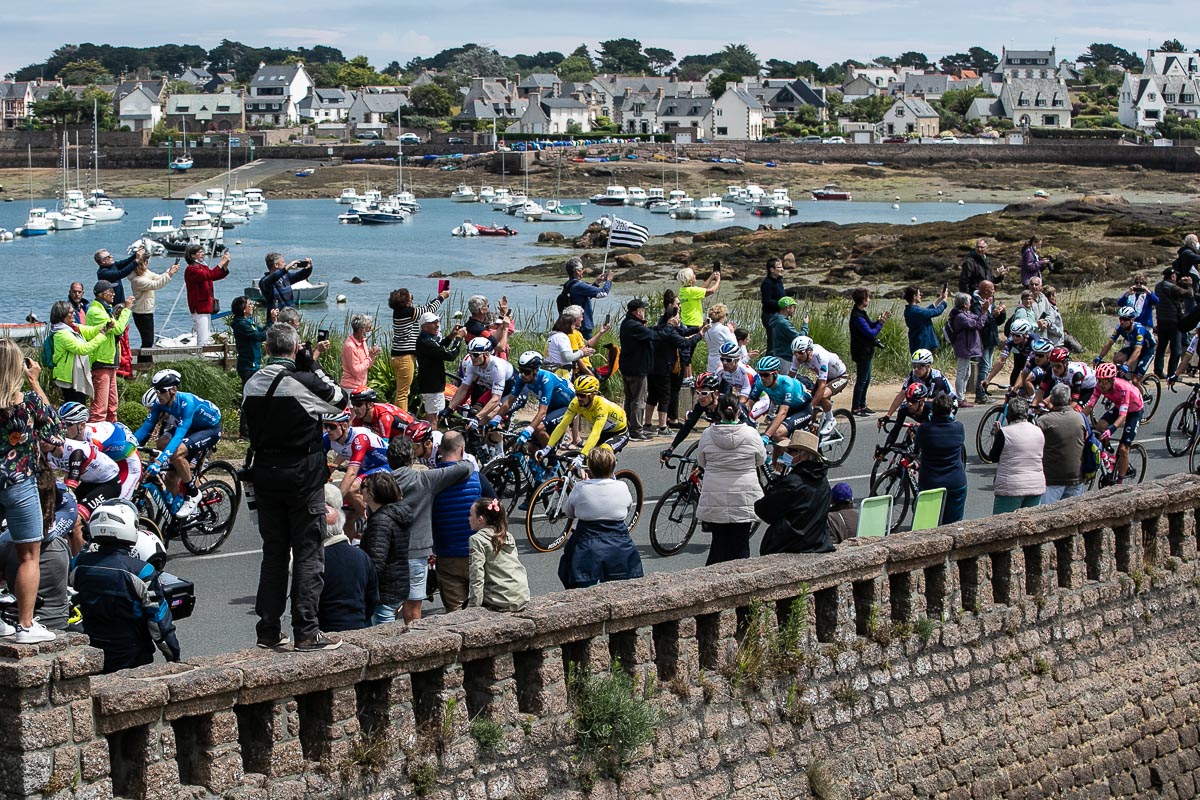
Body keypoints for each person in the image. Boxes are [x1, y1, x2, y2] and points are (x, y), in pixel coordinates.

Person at [242, 322, 350, 652]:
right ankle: (306, 630)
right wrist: (312, 363)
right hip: (302, 473)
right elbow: (340, 401)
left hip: (264, 472)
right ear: (293, 348)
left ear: (267, 348)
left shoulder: (252, 383)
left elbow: (246, 429)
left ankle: (268, 630)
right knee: (307, 551)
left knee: (274, 553)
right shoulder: (301, 382)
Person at [71, 499, 180, 672]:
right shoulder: (141, 571)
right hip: (132, 655)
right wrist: (174, 655)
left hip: (92, 653)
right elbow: (158, 622)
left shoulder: (78, 564)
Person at [0, 343, 62, 644]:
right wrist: (36, 382)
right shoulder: (25, 403)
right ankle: (25, 625)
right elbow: (54, 431)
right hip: (19, 483)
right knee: (28, 555)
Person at [386, 436, 473, 623]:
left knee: (389, 606)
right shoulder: (424, 479)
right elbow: (465, 468)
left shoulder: (381, 484)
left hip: (389, 553)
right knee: (413, 605)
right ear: (411, 460)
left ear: (389, 460)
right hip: (417, 553)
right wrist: (463, 455)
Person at [135, 369, 222, 518]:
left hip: (209, 429)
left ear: (173, 390)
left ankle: (193, 494)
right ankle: (181, 503)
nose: (158, 395)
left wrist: (159, 461)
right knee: (163, 451)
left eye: (162, 391)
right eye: (156, 391)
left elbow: (179, 436)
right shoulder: (159, 404)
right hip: (191, 429)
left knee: (177, 453)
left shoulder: (186, 403)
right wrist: (129, 446)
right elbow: (145, 428)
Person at [0, 472, 80, 632]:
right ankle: (27, 625)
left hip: (13, 618)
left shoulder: (6, 543)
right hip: (56, 622)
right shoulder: (60, 547)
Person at [558, 445, 643, 589]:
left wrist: (584, 483)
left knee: (573, 576)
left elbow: (569, 512)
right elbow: (627, 509)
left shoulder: (580, 487)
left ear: (589, 468)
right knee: (622, 588)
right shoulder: (622, 486)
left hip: (587, 544)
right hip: (619, 543)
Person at [695, 393, 764, 564]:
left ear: (719, 411)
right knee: (741, 544)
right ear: (739, 411)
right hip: (744, 496)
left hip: (715, 496)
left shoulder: (707, 434)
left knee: (718, 544)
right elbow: (761, 459)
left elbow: (701, 461)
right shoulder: (751, 434)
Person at [430, 431, 487, 612]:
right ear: (462, 449)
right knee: (485, 607)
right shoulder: (477, 477)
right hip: (477, 552)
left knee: (455, 613)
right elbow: (496, 507)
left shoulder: (431, 480)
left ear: (439, 450)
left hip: (447, 555)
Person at [756, 430, 835, 554]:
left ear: (803, 455)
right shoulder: (823, 483)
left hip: (788, 545)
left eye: (791, 451)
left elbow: (763, 509)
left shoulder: (792, 483)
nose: (786, 454)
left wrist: (777, 484)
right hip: (817, 544)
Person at [317, 483, 378, 633]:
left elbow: (304, 601)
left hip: (324, 629)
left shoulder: (315, 560)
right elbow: (372, 597)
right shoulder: (362, 556)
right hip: (357, 625)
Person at [56, 403, 142, 503]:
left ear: (82, 425)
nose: (62, 428)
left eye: (67, 424)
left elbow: (77, 471)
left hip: (127, 464)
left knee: (116, 506)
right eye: (60, 423)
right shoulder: (75, 434)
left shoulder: (95, 441)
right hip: (107, 463)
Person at [322, 412, 390, 536]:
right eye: (325, 426)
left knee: (350, 489)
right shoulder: (328, 438)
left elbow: (352, 472)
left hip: (383, 465)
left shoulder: (359, 437)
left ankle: (369, 521)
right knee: (347, 516)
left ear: (344, 425)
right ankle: (356, 541)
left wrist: (334, 502)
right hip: (364, 468)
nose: (327, 430)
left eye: (331, 426)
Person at [357, 472, 410, 626]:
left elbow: (376, 562)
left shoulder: (381, 521)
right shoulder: (394, 514)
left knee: (384, 634)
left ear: (372, 493)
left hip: (384, 589)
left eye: (364, 487)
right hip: (396, 583)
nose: (361, 491)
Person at [388, 286, 450, 410]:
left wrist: (437, 297)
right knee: (403, 393)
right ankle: (401, 419)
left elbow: (424, 309)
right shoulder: (407, 312)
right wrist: (442, 297)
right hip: (404, 357)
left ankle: (400, 415)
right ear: (406, 301)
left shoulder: (400, 312)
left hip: (398, 356)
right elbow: (428, 310)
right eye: (412, 298)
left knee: (402, 390)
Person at [1083, 362, 1143, 485]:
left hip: (1134, 410)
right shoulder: (1099, 386)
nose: (1101, 385)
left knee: (1123, 448)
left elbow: (1122, 416)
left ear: (1112, 380)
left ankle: (1119, 483)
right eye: (1099, 381)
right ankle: (1109, 453)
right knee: (1100, 426)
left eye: (1105, 382)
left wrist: (1111, 429)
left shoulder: (1123, 388)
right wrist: (1079, 419)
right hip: (1119, 406)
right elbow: (1090, 405)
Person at [497, 353, 574, 447]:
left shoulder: (546, 380)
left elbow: (542, 412)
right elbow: (509, 402)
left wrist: (527, 431)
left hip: (568, 406)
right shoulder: (522, 378)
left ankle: (551, 459)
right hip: (552, 406)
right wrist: (496, 419)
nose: (523, 375)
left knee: (539, 428)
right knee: (532, 448)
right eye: (521, 370)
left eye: (527, 372)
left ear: (536, 371)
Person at [648, 310, 705, 436]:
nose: (679, 320)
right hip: (663, 368)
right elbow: (685, 343)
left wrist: (698, 328)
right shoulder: (670, 332)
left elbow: (683, 332)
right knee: (664, 397)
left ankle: (647, 424)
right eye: (677, 318)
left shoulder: (660, 328)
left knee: (652, 396)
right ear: (671, 319)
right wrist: (700, 335)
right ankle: (663, 427)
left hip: (653, 367)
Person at [467, 497, 529, 612]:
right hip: (521, 596)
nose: (468, 519)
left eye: (471, 515)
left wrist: (473, 607)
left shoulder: (477, 540)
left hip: (502, 599)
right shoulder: (507, 536)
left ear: (481, 519)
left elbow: (477, 575)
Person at [913, 393, 967, 524]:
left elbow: (918, 444)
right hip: (955, 482)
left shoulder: (925, 429)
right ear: (950, 411)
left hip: (930, 483)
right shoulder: (959, 428)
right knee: (953, 526)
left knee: (927, 525)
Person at [987, 395, 1046, 513]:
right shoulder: (1038, 431)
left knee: (1002, 526)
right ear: (1026, 414)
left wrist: (997, 435)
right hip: (1035, 486)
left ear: (1009, 415)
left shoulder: (1004, 433)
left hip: (1011, 488)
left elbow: (993, 457)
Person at [544, 375, 628, 457]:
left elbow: (595, 433)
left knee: (603, 454)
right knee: (589, 460)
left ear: (592, 395)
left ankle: (608, 471)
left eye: (583, 395)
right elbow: (562, 426)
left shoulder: (601, 406)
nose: (579, 398)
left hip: (619, 432)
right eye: (577, 394)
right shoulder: (575, 403)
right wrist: (548, 447)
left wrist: (582, 455)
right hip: (604, 432)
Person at [85, 281, 133, 423]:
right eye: (110, 291)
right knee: (100, 407)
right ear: (102, 294)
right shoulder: (96, 312)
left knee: (112, 406)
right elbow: (118, 329)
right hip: (101, 362)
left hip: (110, 361)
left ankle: (112, 434)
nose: (113, 294)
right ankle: (95, 437)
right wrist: (127, 309)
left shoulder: (106, 310)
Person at [47, 299, 110, 406]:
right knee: (75, 408)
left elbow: (89, 331)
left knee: (80, 406)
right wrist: (102, 336)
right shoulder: (62, 334)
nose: (74, 314)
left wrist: (104, 326)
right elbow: (82, 349)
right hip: (68, 378)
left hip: (75, 376)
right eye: (71, 313)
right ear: (62, 315)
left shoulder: (72, 328)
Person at [1036, 383, 1088, 504]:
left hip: (1052, 479)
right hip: (1076, 477)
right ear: (1069, 400)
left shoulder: (1043, 421)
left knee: (1045, 516)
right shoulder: (1080, 418)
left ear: (1052, 400)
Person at [749, 355, 814, 449]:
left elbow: (783, 412)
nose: (762, 378)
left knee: (776, 434)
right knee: (775, 445)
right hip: (788, 410)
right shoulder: (760, 383)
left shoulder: (787, 383)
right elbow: (749, 404)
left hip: (802, 410)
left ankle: (799, 450)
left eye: (766, 375)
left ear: (775, 373)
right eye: (760, 374)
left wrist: (767, 435)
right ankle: (776, 462)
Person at [446, 337, 514, 425]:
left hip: (513, 391)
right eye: (470, 354)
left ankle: (498, 437)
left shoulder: (497, 367)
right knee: (475, 410)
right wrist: (449, 408)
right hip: (496, 390)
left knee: (489, 416)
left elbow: (496, 399)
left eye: (476, 355)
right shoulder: (471, 364)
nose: (472, 357)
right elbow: (463, 389)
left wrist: (477, 418)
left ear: (486, 354)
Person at [883, 349, 956, 431]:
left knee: (928, 423)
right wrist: (888, 415)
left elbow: (929, 401)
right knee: (906, 407)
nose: (916, 369)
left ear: (928, 366)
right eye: (914, 366)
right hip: (930, 402)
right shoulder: (913, 374)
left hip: (948, 404)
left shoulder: (937, 377)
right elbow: (902, 394)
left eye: (919, 366)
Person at [618, 298, 659, 440]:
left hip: (627, 367)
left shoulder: (626, 323)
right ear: (638, 311)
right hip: (637, 368)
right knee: (638, 400)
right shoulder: (634, 325)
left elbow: (649, 331)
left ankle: (627, 427)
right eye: (643, 309)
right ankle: (636, 430)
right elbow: (653, 335)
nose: (644, 312)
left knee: (630, 399)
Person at [415, 311, 465, 424]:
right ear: (424, 326)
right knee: (433, 417)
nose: (437, 325)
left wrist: (451, 336)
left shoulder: (426, 339)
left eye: (437, 322)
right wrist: (458, 339)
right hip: (433, 387)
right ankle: (432, 439)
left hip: (431, 385)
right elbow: (450, 355)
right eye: (433, 323)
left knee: (432, 414)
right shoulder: (427, 342)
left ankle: (429, 437)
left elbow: (439, 349)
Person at [789, 335, 848, 429]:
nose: (797, 356)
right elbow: (790, 378)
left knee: (822, 397)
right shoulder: (797, 357)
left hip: (840, 376)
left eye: (800, 353)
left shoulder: (820, 357)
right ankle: (813, 427)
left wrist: (811, 406)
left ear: (809, 351)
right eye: (795, 353)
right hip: (825, 376)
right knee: (810, 400)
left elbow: (822, 386)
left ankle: (830, 419)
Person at [849, 288, 890, 416]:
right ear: (863, 300)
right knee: (861, 380)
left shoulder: (862, 313)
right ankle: (856, 407)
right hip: (861, 352)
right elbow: (871, 333)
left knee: (866, 379)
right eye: (868, 298)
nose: (869, 300)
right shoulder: (857, 317)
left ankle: (862, 405)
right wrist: (881, 324)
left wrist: (879, 321)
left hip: (866, 351)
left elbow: (871, 325)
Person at [1095, 306, 1156, 388]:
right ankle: (1124, 382)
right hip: (1133, 347)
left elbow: (1138, 350)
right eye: (1120, 319)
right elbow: (1109, 344)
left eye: (1125, 319)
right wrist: (1099, 357)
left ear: (1132, 320)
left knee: (1135, 381)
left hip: (1147, 351)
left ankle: (1140, 398)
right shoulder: (1119, 328)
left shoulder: (1139, 330)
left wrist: (1126, 365)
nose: (1122, 322)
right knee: (1117, 359)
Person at [128, 252, 179, 350]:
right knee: (147, 341)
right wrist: (170, 273)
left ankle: (146, 362)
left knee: (148, 341)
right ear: (144, 263)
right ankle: (144, 363)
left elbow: (158, 278)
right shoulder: (137, 280)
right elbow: (156, 285)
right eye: (146, 261)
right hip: (141, 312)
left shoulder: (145, 273)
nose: (148, 263)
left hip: (146, 310)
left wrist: (169, 271)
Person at [183, 243, 231, 347]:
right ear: (192, 255)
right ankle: (201, 357)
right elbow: (210, 274)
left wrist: (225, 264)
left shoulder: (201, 267)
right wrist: (221, 262)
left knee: (205, 334)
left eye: (202, 252)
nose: (202, 254)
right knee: (203, 337)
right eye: (199, 252)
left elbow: (215, 275)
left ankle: (202, 356)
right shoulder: (191, 269)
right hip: (199, 306)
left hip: (205, 306)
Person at [1152, 267, 1193, 379]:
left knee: (1161, 347)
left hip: (1161, 320)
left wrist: (1179, 283)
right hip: (1173, 321)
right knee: (1176, 349)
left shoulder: (1158, 286)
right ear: (1172, 276)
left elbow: (1173, 292)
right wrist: (1189, 284)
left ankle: (1158, 371)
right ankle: (1171, 373)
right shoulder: (1172, 287)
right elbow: (1189, 294)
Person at [971, 280, 1007, 404]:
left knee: (987, 366)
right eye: (992, 289)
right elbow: (980, 322)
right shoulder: (975, 303)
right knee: (984, 367)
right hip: (982, 340)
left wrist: (1001, 313)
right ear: (986, 290)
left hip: (991, 338)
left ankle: (983, 392)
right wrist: (992, 314)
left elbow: (995, 322)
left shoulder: (991, 300)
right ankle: (980, 395)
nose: (994, 291)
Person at [946, 293, 984, 407]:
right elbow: (977, 324)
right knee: (962, 372)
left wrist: (983, 313)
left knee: (967, 373)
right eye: (969, 302)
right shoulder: (960, 316)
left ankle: (961, 396)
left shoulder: (964, 314)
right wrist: (985, 313)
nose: (970, 304)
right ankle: (959, 398)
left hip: (966, 347)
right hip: (963, 347)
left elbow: (976, 318)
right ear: (964, 304)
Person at [565, 257, 613, 339]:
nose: (583, 271)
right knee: (587, 349)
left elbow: (585, 297)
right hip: (583, 326)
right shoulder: (579, 285)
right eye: (581, 269)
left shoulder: (568, 284)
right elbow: (603, 293)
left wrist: (597, 283)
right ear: (577, 271)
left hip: (574, 324)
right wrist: (609, 280)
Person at [1031, 347, 1097, 406]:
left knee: (1077, 411)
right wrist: (1033, 407)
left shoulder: (1076, 374)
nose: (1055, 369)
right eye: (1052, 365)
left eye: (1058, 366)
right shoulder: (1050, 370)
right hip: (1071, 384)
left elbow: (1074, 402)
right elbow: (1041, 391)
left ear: (1065, 364)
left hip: (1089, 387)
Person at [983, 318, 1036, 389]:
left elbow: (1026, 367)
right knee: (1013, 387)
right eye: (1012, 334)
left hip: (1037, 365)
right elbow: (1001, 360)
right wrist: (988, 380)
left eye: (1017, 335)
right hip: (1022, 359)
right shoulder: (1010, 340)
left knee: (1025, 385)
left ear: (1026, 334)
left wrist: (1016, 387)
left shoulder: (1034, 342)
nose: (1014, 338)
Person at [546, 309, 595, 377]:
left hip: (552, 372)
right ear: (567, 325)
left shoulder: (553, 336)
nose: (575, 327)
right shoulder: (562, 337)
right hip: (560, 375)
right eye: (573, 325)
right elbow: (567, 357)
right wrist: (582, 353)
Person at [903, 285, 948, 355]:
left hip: (916, 344)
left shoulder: (909, 310)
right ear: (914, 297)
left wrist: (940, 299)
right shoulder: (916, 311)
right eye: (919, 294)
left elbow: (927, 310)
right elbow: (936, 312)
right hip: (923, 345)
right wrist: (944, 301)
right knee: (925, 365)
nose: (921, 295)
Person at [340, 314, 380, 391]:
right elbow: (356, 371)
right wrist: (369, 357)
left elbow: (367, 366)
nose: (369, 331)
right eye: (368, 328)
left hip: (361, 386)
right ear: (361, 330)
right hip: (351, 387)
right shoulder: (350, 346)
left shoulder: (362, 341)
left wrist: (373, 355)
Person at [760, 256, 787, 354]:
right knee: (772, 343)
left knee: (781, 341)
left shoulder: (779, 281)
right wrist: (782, 304)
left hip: (779, 315)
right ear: (772, 269)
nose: (782, 269)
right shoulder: (767, 283)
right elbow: (766, 301)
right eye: (779, 267)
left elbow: (780, 294)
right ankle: (767, 366)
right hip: (770, 316)